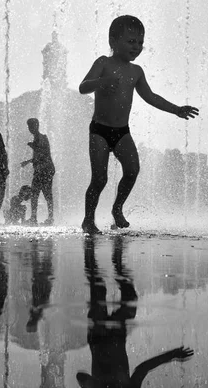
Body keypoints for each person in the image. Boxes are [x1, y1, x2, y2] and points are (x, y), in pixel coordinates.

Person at [79, 15, 199, 234]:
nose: (137, 47)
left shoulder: (136, 72)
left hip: (122, 132)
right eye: (131, 41)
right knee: (99, 178)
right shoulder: (103, 63)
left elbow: (150, 97)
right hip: (100, 130)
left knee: (133, 170)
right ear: (113, 41)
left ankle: (117, 208)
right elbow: (83, 87)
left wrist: (176, 110)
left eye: (140, 42)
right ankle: (88, 220)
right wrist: (101, 82)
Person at [77, 236, 194, 388]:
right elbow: (143, 368)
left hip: (99, 336)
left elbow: (80, 377)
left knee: (99, 289)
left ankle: (89, 250)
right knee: (130, 299)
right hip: (118, 335)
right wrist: (172, 355)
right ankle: (118, 261)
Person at [21, 118, 55, 225]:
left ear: (37, 126)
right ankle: (36, 218)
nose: (30, 129)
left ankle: (47, 218)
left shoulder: (41, 137)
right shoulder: (37, 138)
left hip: (45, 170)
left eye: (32, 126)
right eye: (29, 127)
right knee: (37, 194)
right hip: (42, 170)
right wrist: (28, 161)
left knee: (44, 194)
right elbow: (40, 156)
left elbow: (44, 154)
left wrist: (34, 147)